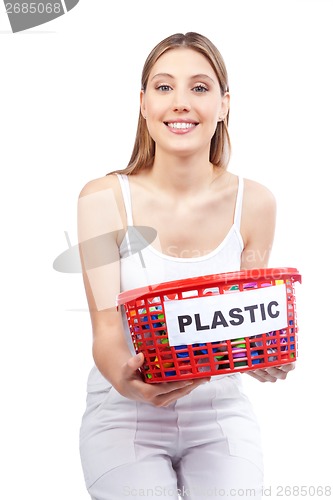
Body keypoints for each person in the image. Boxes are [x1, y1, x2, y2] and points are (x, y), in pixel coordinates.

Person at [77, 32, 294, 500]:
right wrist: (131, 383)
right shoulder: (102, 200)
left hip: (218, 412)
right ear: (142, 103)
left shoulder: (254, 204)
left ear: (224, 105)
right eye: (163, 87)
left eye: (199, 87)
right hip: (124, 413)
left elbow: (244, 322)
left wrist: (264, 353)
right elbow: (106, 334)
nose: (180, 103)